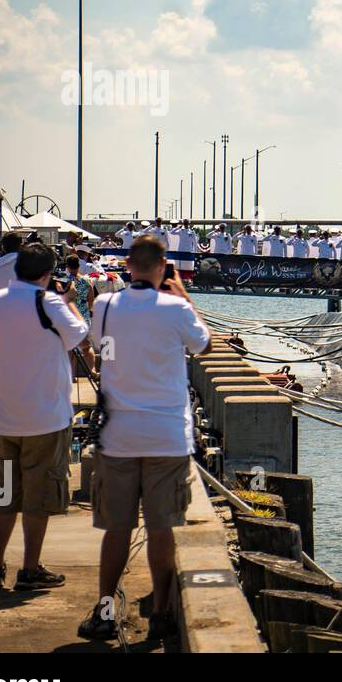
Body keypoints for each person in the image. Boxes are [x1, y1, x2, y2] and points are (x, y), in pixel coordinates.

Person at [79, 235, 211, 642]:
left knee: (116, 530)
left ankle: (104, 611)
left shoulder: (106, 305)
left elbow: (96, 346)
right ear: (163, 265)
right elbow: (202, 346)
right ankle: (160, 614)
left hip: (118, 435)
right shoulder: (175, 308)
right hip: (167, 436)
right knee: (161, 529)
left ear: (129, 266)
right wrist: (182, 292)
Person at [0, 242, 90, 593]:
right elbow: (79, 334)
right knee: (38, 497)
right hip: (45, 417)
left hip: (0, 417)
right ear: (46, 274)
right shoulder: (50, 302)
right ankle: (29, 568)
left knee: (0, 496)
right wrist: (69, 298)